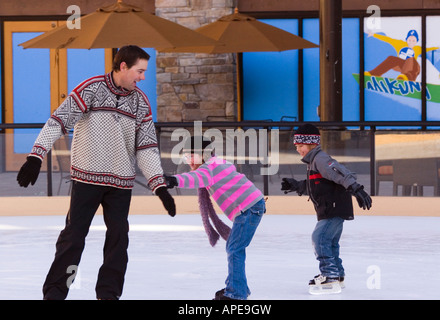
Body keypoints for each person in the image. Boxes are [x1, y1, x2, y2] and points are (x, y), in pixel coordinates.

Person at [16, 45, 176, 300]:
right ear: (123, 66)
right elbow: (59, 120)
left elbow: (146, 147)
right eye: (140, 71)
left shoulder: (140, 103)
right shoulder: (91, 89)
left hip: (121, 183)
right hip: (87, 179)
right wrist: (36, 155)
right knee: (74, 238)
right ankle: (55, 293)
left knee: (118, 239)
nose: (143, 77)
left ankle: (108, 295)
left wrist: (159, 186)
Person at [164, 136, 265, 300]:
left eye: (191, 155)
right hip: (250, 207)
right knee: (235, 248)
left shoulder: (209, 168)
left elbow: (193, 178)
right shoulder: (215, 164)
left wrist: (173, 180)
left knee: (234, 249)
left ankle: (236, 293)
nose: (189, 160)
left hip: (249, 208)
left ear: (203, 154)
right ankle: (237, 287)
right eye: (186, 156)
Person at [281, 124, 372, 295]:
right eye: (296, 146)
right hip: (331, 208)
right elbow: (318, 185)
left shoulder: (321, 159)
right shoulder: (313, 161)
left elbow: (340, 172)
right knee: (330, 242)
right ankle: (337, 274)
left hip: (333, 208)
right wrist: (297, 186)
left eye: (301, 145)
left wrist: (356, 189)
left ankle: (329, 275)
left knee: (320, 238)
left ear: (312, 144)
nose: (298, 149)